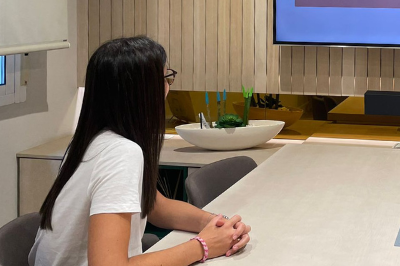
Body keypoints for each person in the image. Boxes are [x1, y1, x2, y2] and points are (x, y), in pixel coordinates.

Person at [29, 37, 252, 266]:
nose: (168, 88)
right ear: (145, 92)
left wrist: (217, 224)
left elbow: (156, 207)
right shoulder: (121, 153)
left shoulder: (91, 142)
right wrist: (203, 246)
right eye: (167, 78)